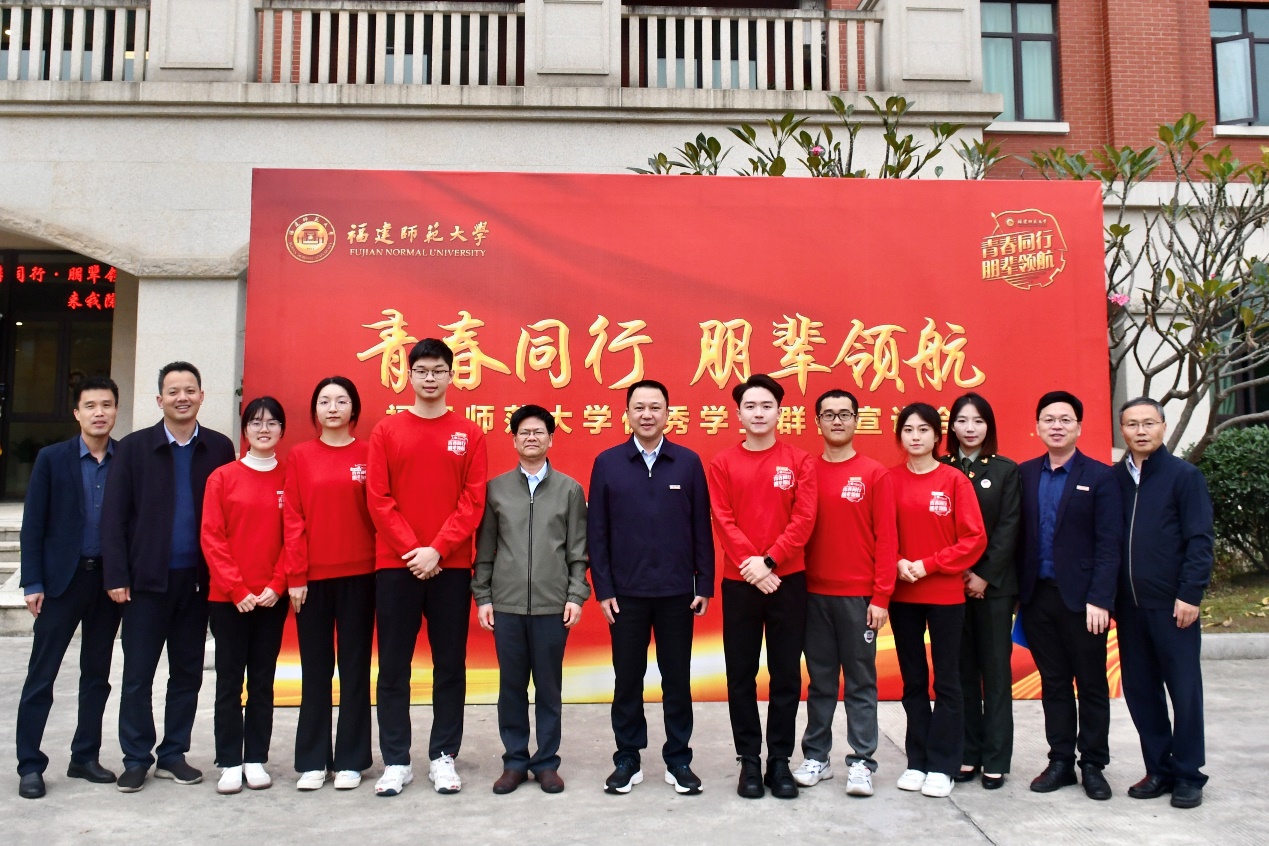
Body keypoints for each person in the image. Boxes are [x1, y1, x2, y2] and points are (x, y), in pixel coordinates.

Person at [102, 361, 236, 793]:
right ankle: (136, 758)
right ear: (159, 399)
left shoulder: (219, 447)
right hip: (145, 583)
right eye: (173, 391)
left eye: (190, 390)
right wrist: (116, 574)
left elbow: (230, 515)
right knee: (138, 676)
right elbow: (114, 517)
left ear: (202, 396)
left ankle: (174, 753)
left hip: (197, 583)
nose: (182, 398)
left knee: (187, 673)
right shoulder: (134, 448)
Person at [366, 338, 487, 797]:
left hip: (450, 568)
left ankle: (443, 756)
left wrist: (437, 549)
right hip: (396, 566)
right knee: (393, 666)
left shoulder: (469, 433)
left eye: (438, 370)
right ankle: (396, 760)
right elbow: (378, 499)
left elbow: (473, 500)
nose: (430, 378)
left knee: (449, 664)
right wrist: (413, 550)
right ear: (409, 375)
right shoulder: (387, 430)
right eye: (422, 370)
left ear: (452, 376)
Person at [588, 379, 714, 796]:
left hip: (678, 593)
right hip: (625, 594)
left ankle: (679, 758)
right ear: (627, 413)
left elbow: (701, 527)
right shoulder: (608, 462)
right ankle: (627, 757)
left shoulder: (687, 462)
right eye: (639, 407)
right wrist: (603, 588)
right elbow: (597, 532)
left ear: (667, 413)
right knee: (627, 679)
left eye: (655, 407)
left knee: (676, 679)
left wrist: (703, 582)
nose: (647, 414)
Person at [708, 374, 816, 800]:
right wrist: (754, 567)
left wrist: (770, 561)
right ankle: (749, 760)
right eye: (750, 406)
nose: (758, 413)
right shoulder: (723, 463)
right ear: (738, 414)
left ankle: (780, 761)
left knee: (786, 674)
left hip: (788, 580)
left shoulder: (799, 461)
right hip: (740, 583)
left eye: (766, 405)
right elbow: (723, 520)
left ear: (779, 412)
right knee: (741, 675)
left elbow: (804, 520)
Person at [16, 377, 124, 799]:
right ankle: (30, 764)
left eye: (107, 405)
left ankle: (84, 756)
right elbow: (33, 524)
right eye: (91, 406)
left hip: (106, 583)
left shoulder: (125, 459)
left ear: (116, 411)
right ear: (77, 413)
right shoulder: (52, 458)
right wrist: (33, 581)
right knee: (42, 675)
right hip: (61, 582)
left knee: (97, 675)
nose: (99, 413)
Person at [473, 405, 590, 795]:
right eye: (524, 432)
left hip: (552, 606)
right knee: (511, 687)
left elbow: (578, 551)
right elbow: (485, 549)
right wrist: (483, 596)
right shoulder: (496, 490)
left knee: (549, 688)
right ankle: (515, 761)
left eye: (539, 432)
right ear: (514, 440)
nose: (532, 438)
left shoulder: (570, 490)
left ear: (551, 439)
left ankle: (546, 763)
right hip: (506, 605)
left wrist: (575, 595)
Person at [1017, 390, 1122, 801]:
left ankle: (1093, 764)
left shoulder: (1101, 477)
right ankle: (1060, 760)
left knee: (1092, 684)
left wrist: (1101, 599)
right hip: (1037, 598)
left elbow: (1109, 544)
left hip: (1084, 602)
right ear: (1037, 426)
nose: (1056, 426)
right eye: (1049, 419)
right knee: (1054, 682)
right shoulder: (1025, 474)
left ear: (1079, 426)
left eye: (1065, 419)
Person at [792, 389, 897, 799]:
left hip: (859, 598)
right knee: (819, 682)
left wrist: (881, 596)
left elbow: (887, 539)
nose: (837, 421)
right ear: (817, 421)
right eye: (829, 414)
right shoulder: (806, 470)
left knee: (859, 682)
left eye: (845, 414)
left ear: (857, 420)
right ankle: (816, 757)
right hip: (812, 595)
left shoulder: (874, 474)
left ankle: (862, 762)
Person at [1114, 397, 1214, 810]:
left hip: (1173, 606)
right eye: (1132, 424)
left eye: (1148, 423)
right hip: (1128, 607)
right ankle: (1158, 769)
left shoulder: (1184, 477)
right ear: (1122, 430)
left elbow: (1200, 540)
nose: (1140, 431)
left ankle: (1189, 774)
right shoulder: (1113, 480)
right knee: (1141, 691)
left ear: (1163, 426)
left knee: (1184, 691)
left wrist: (1190, 593)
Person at [888, 403, 986, 799]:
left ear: (937, 436)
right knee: (913, 680)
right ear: (900, 436)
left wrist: (929, 564)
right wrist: (897, 562)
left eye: (923, 430)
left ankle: (944, 765)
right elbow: (878, 533)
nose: (915, 436)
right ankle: (917, 760)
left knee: (947, 681)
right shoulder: (889, 480)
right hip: (902, 594)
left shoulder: (954, 481)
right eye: (908, 429)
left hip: (944, 594)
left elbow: (974, 539)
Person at [283, 377, 377, 792]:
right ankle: (313, 760)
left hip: (361, 576)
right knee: (315, 670)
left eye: (341, 400)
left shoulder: (370, 453)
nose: (333, 407)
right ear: (315, 410)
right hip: (313, 581)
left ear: (354, 408)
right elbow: (293, 517)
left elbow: (381, 512)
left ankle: (352, 760)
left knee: (355, 669)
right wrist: (296, 575)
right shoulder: (300, 456)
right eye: (325, 401)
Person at [202, 397, 290, 795]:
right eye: (256, 422)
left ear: (282, 430)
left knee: (263, 681)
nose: (264, 429)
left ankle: (255, 758)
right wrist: (237, 589)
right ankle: (228, 760)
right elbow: (212, 537)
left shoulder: (290, 477)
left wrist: (277, 585)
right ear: (245, 430)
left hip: (272, 598)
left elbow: (296, 535)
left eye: (272, 422)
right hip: (228, 599)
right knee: (229, 682)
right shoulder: (222, 478)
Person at [942, 393, 1021, 790]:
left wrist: (983, 575)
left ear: (988, 426)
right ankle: (967, 753)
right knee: (961, 674)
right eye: (962, 420)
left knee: (996, 673)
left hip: (994, 589)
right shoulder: (941, 468)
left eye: (978, 421)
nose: (969, 428)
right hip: (950, 587)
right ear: (951, 426)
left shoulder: (1006, 471)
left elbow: (1009, 527)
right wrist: (958, 572)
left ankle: (996, 758)